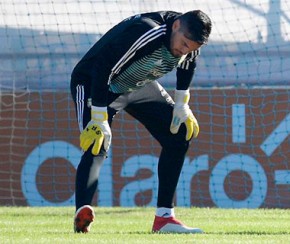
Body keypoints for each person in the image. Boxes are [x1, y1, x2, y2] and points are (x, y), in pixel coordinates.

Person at [70, 10, 212, 234]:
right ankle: (82, 214)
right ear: (176, 26)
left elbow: (187, 65)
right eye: (184, 44)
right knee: (97, 142)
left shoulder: (189, 42)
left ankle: (164, 218)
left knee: (180, 133)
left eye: (191, 48)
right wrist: (99, 116)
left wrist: (182, 103)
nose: (184, 51)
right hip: (94, 83)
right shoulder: (147, 31)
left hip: (135, 84)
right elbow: (102, 66)